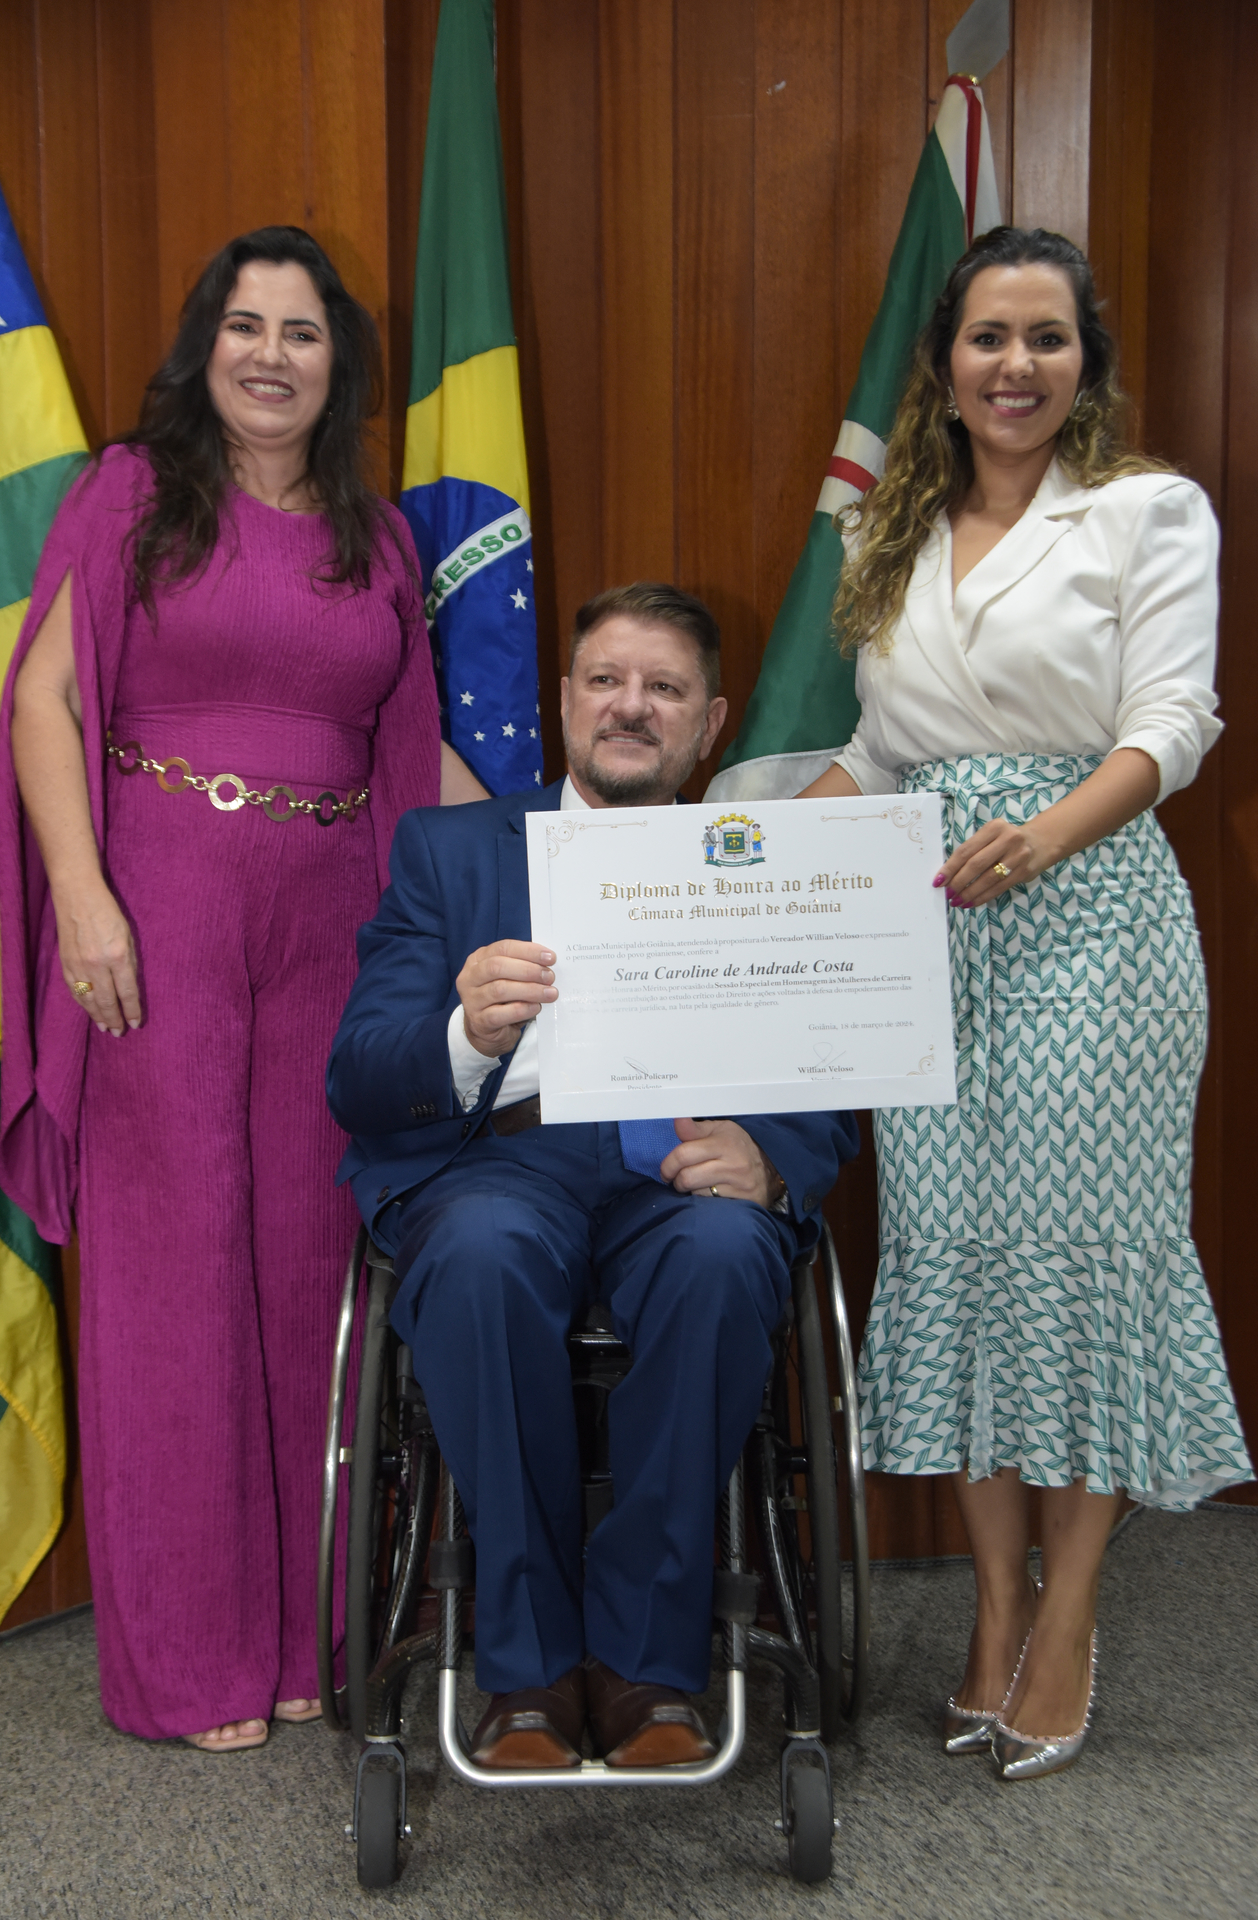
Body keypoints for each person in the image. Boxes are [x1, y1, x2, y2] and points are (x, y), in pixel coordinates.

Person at [0, 226, 485, 1753]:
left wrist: (575, 863)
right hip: (156, 914)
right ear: (205, 345)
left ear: (340, 365)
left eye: (303, 332)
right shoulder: (130, 493)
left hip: (334, 927)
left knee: (309, 1273)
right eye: (246, 325)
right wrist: (83, 895)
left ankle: (304, 1635)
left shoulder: (376, 537)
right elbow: (41, 698)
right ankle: (190, 1661)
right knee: (176, 1279)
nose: (271, 355)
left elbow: (412, 751)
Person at [801, 226, 1252, 1779]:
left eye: (1045, 338)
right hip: (930, 940)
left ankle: (1068, 1620)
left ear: (1083, 363)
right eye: (987, 337)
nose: (1014, 365)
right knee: (960, 1260)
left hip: (1096, 928)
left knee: (1083, 1269)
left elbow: (1172, 723)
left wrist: (1043, 838)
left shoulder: (1143, 510)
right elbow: (878, 756)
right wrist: (732, 865)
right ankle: (995, 1605)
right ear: (943, 364)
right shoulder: (891, 538)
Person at [328, 582, 858, 1767]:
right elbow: (358, 1074)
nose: (631, 706)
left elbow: (835, 1056)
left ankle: (644, 1664)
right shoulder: (449, 851)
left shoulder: (760, 864)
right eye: (607, 681)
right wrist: (463, 1031)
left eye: (664, 688)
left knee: (726, 1255)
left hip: (677, 1172)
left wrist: (774, 1156)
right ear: (565, 700)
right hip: (497, 1168)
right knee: (480, 1255)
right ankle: (526, 1667)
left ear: (708, 723)